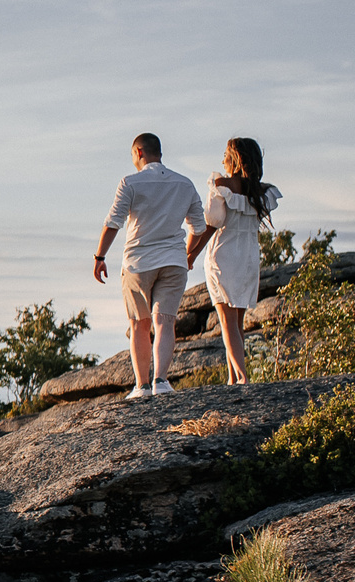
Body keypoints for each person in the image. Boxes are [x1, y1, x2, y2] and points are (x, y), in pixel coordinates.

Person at [92, 132, 206, 399]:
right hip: (174, 261)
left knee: (139, 324)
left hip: (138, 262)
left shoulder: (130, 183)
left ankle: (142, 386)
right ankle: (161, 381)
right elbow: (198, 227)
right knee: (165, 321)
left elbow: (113, 222)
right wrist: (187, 255)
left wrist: (99, 257)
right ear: (160, 153)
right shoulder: (185, 184)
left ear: (139, 153)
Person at [186, 136, 280, 385]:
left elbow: (211, 224)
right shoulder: (262, 192)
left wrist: (192, 253)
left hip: (225, 252)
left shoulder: (222, 184)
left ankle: (241, 377)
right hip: (248, 254)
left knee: (227, 321)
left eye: (225, 155)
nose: (222, 160)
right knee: (236, 321)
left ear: (235, 158)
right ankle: (233, 377)